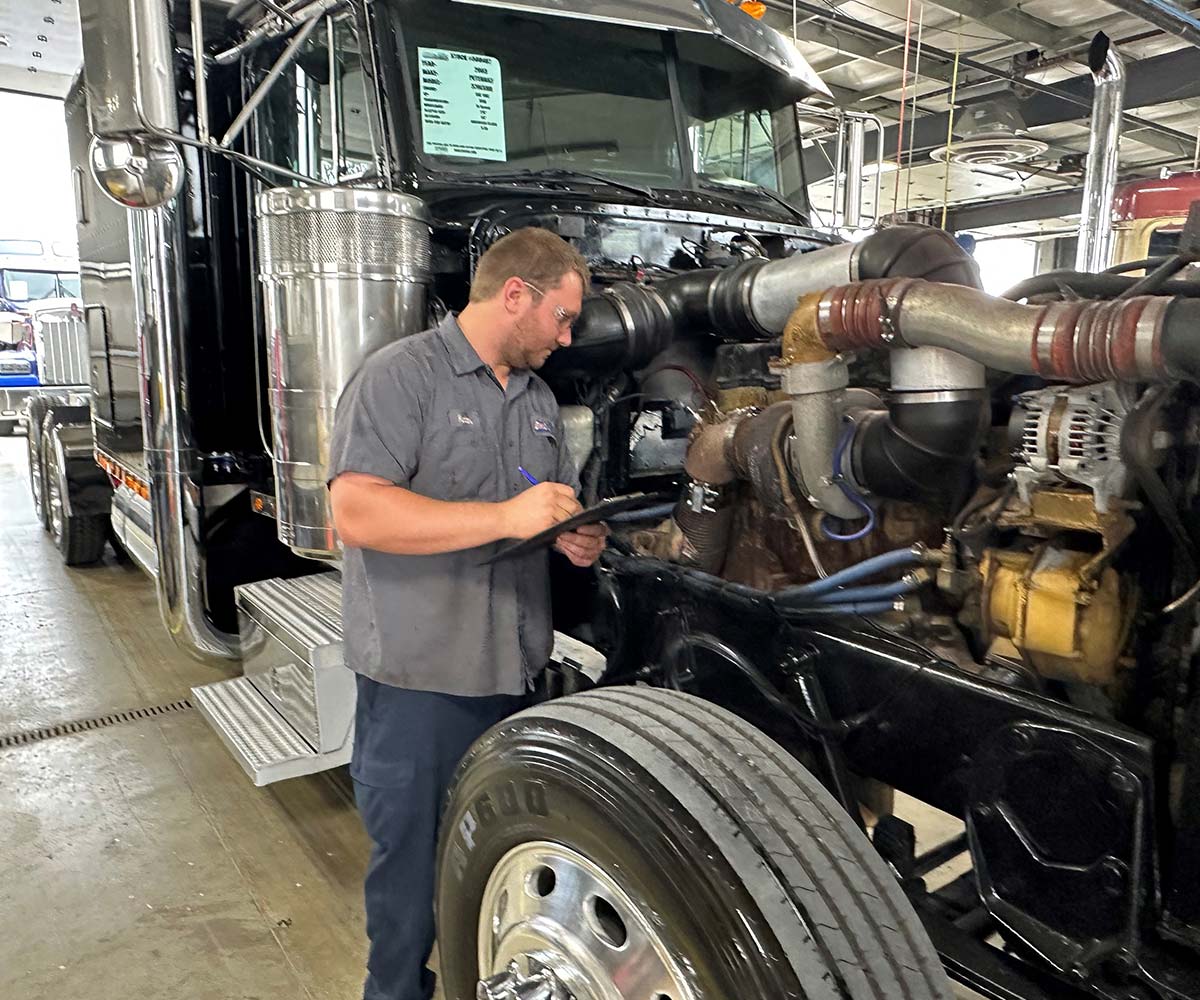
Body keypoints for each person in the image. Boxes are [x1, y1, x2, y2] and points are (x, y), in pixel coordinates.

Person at [327, 226, 608, 1000]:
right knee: (409, 891)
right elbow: (356, 512)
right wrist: (505, 519)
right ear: (514, 295)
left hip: (514, 682)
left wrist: (568, 537)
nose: (568, 335)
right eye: (561, 315)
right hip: (422, 688)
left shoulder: (541, 399)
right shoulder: (401, 376)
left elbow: (536, 511)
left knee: (491, 872)